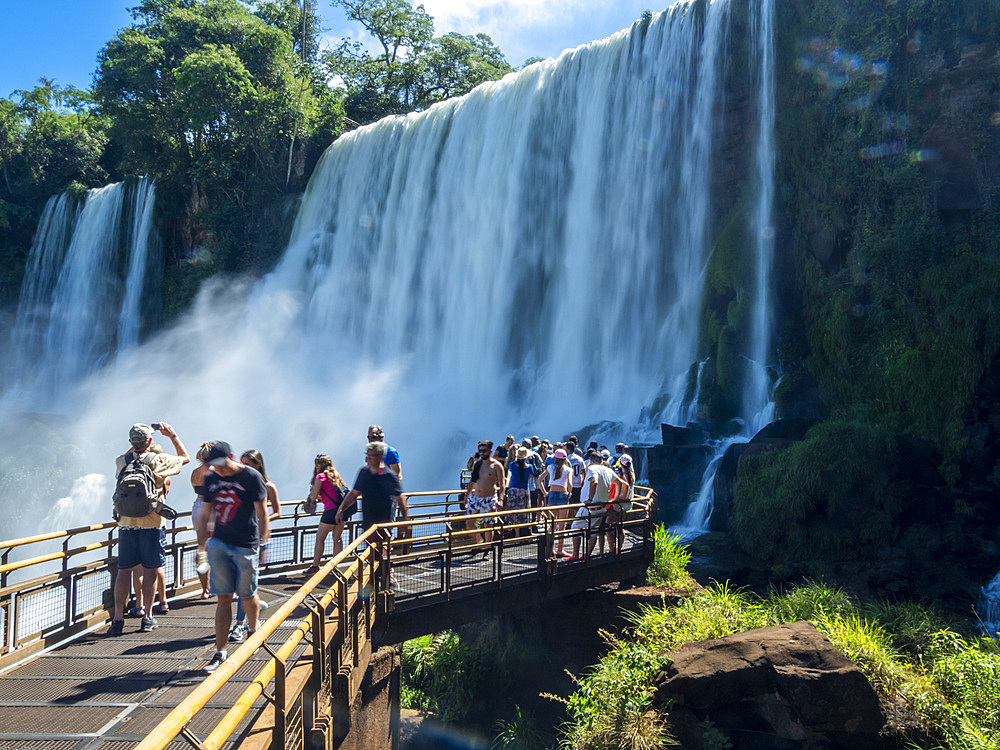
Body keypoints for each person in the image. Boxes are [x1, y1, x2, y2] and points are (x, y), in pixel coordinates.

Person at [108, 422, 189, 636]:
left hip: (126, 525)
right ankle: (147, 617)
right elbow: (185, 457)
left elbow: (127, 456)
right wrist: (172, 435)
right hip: (152, 524)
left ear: (130, 442)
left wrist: (135, 446)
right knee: (151, 571)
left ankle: (117, 619)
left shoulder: (121, 461)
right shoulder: (159, 460)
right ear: (150, 442)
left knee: (123, 572)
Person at [196, 441, 269, 674]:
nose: (219, 470)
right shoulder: (211, 478)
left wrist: (263, 544)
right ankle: (221, 651)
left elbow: (262, 512)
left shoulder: (251, 477)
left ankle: (253, 629)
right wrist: (202, 544)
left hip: (246, 543)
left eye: (221, 464)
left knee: (247, 594)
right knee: (224, 597)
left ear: (231, 457)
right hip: (220, 541)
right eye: (214, 466)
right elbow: (207, 511)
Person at [335, 442, 406, 585]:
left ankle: (386, 579)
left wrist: (405, 522)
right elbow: (354, 493)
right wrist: (341, 509)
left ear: (380, 457)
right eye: (367, 455)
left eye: (371, 456)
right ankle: (376, 581)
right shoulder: (364, 473)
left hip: (383, 524)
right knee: (371, 555)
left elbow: (400, 499)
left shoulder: (389, 476)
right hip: (368, 524)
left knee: (383, 553)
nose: (367, 459)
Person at [229, 449, 281, 643]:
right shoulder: (238, 485)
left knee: (246, 582)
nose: (244, 468)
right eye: (242, 464)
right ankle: (254, 608)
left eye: (248, 464)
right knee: (244, 582)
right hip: (240, 537)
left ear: (258, 465)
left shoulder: (268, 486)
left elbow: (277, 512)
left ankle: (240, 624)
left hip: (258, 538)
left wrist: (261, 521)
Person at [568, 450, 618, 560]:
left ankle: (575, 555)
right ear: (601, 460)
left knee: (575, 527)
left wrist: (589, 499)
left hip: (590, 507)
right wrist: (614, 499)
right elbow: (621, 484)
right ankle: (587, 556)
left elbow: (594, 481)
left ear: (590, 460)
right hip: (602, 507)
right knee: (593, 531)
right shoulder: (608, 470)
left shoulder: (591, 468)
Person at [305, 455, 349, 575]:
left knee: (320, 538)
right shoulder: (335, 475)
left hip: (330, 512)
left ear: (321, 464)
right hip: (342, 511)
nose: (316, 466)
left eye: (318, 463)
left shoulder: (320, 476)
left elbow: (314, 497)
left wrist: (312, 491)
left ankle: (315, 566)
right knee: (337, 538)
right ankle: (335, 566)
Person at [464, 440, 505, 546]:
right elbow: (472, 481)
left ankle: (487, 547)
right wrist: (466, 496)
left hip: (489, 498)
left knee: (488, 525)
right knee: (469, 522)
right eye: (480, 451)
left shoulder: (497, 466)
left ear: (490, 451)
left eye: (484, 451)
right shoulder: (477, 464)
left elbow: (502, 484)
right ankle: (479, 541)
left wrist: (500, 500)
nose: (482, 453)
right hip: (476, 497)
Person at [190, 441, 216, 600]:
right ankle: (224, 587)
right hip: (213, 507)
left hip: (198, 505)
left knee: (202, 548)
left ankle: (205, 590)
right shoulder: (214, 471)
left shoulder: (195, 472)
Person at [540, 448, 573, 557]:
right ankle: (560, 550)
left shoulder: (550, 467)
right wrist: (570, 492)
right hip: (562, 495)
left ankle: (550, 549)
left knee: (552, 525)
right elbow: (570, 484)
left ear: (555, 458)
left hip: (552, 494)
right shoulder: (568, 470)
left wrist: (545, 492)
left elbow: (539, 480)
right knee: (562, 525)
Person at [608, 443, 636, 554]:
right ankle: (617, 549)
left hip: (619, 504)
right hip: (627, 505)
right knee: (620, 525)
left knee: (610, 525)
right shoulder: (632, 474)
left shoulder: (624, 476)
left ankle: (613, 549)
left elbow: (623, 494)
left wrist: (614, 498)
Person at [505, 446, 536, 537]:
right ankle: (529, 533)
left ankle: (517, 535)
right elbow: (529, 477)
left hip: (513, 490)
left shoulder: (512, 465)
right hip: (524, 491)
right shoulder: (530, 467)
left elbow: (511, 474)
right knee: (526, 512)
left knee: (514, 513)